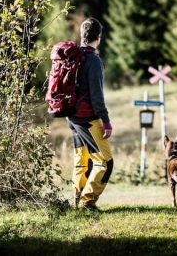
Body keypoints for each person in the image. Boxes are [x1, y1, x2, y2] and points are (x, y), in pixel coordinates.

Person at [67, 17, 113, 211]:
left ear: (82, 35)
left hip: (72, 117)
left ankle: (77, 198)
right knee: (105, 162)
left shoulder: (73, 56)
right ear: (99, 37)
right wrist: (106, 121)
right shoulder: (93, 60)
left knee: (82, 160)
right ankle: (87, 202)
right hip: (88, 119)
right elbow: (97, 96)